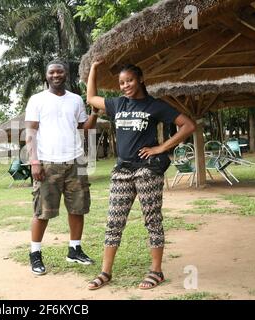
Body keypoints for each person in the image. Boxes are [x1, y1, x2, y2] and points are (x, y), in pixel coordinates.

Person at [84, 60, 196, 290]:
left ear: (141, 79)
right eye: (121, 82)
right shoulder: (118, 105)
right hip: (122, 171)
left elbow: (188, 125)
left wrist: (162, 147)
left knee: (152, 220)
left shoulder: (155, 106)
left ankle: (156, 271)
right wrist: (94, 69)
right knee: (114, 222)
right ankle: (106, 272)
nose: (125, 86)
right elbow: (91, 98)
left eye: (130, 81)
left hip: (147, 170)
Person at [25, 60, 95, 275]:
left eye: (60, 71)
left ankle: (74, 249)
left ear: (66, 74)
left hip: (75, 160)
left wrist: (96, 113)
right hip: (47, 162)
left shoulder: (75, 100)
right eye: (52, 72)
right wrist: (34, 162)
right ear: (46, 76)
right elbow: (30, 133)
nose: (56, 75)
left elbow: (84, 127)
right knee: (43, 211)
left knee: (78, 207)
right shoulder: (37, 100)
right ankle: (35, 254)